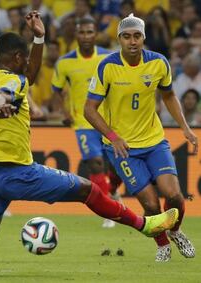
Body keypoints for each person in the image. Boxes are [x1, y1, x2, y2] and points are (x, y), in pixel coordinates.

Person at [0, 11, 179, 275]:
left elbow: (22, 81)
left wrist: (38, 38)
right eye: (24, 59)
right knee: (89, 189)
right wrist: (7, 103)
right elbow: (13, 90)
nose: (27, 64)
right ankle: (146, 225)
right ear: (16, 59)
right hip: (18, 172)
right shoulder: (12, 83)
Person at [84, 14, 198, 262]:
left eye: (137, 36)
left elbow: (168, 95)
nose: (132, 41)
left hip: (154, 141)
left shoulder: (159, 63)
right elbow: (89, 109)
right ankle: (162, 244)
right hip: (122, 148)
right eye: (126, 36)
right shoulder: (107, 66)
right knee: (150, 204)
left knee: (175, 195)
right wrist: (113, 137)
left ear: (143, 38)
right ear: (119, 39)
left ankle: (176, 231)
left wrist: (185, 127)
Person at [51, 16, 122, 228]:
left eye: (90, 32)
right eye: (82, 32)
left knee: (118, 167)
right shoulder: (64, 62)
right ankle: (109, 210)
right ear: (76, 34)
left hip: (109, 120)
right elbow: (56, 90)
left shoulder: (109, 57)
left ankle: (112, 190)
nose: (86, 36)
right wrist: (64, 112)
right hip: (83, 122)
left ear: (96, 34)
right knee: (96, 162)